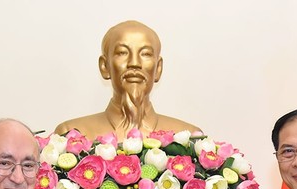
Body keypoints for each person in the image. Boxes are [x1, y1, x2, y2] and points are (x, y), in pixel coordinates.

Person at [54, 20, 200, 140]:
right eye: (122, 53)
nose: (134, 63)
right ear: (104, 66)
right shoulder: (71, 136)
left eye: (146, 54)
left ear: (158, 68)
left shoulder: (189, 138)